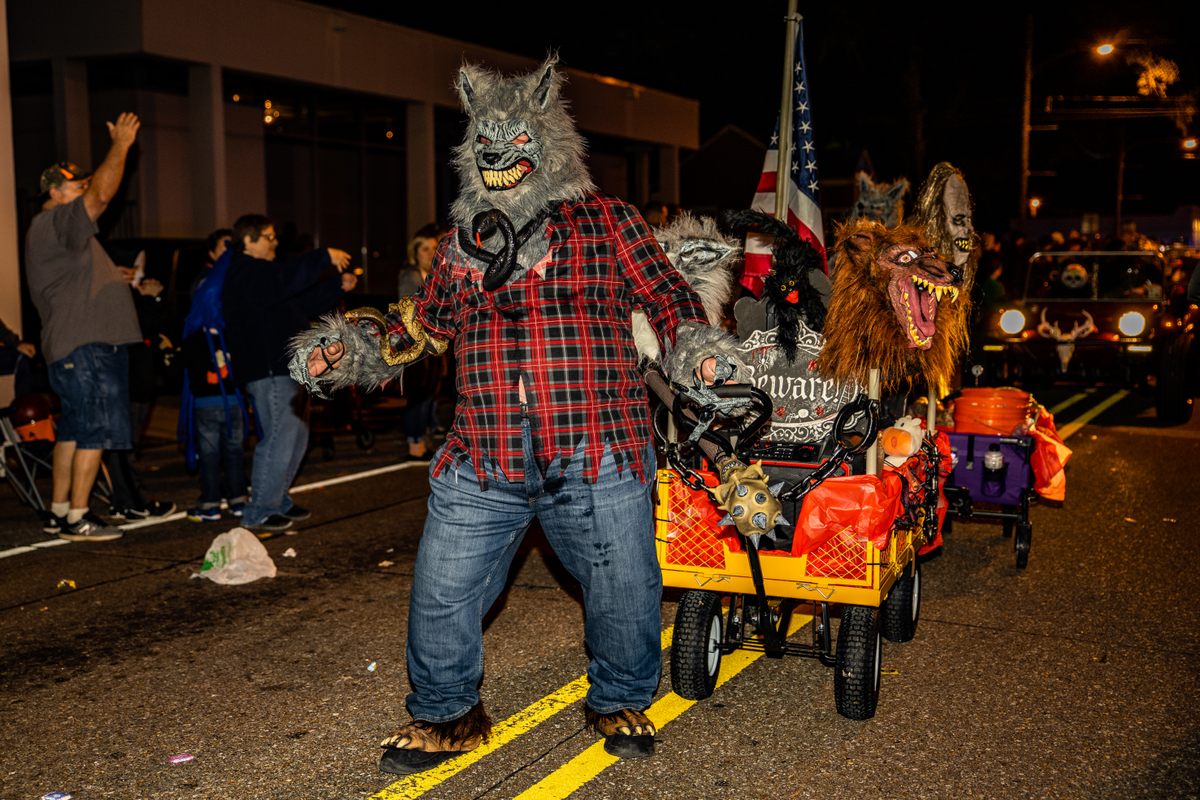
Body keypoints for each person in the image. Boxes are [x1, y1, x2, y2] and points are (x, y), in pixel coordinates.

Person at [292, 57, 746, 775]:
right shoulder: (462, 243)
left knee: (624, 589)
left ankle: (621, 698)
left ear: (548, 139)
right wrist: (347, 351)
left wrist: (702, 355)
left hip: (597, 449)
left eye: (513, 137)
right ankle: (446, 715)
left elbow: (669, 299)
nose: (497, 153)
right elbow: (426, 324)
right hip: (485, 452)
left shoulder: (609, 222)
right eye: (485, 139)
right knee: (442, 593)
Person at [24, 112, 145, 542]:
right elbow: (102, 196)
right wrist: (122, 146)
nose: (84, 193)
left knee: (75, 430)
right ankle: (79, 516)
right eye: (76, 187)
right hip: (87, 348)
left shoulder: (57, 232)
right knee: (94, 429)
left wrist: (121, 278)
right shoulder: (57, 220)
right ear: (55, 192)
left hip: (75, 349)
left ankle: (58, 511)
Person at [222, 214, 354, 532]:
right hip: (268, 369)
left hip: (289, 368)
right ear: (249, 241)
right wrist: (323, 257)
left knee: (295, 436)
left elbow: (301, 303)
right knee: (280, 435)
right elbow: (286, 279)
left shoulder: (266, 277)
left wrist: (337, 285)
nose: (275, 242)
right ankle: (258, 511)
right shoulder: (246, 271)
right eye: (268, 237)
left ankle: (277, 499)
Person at [180, 228, 250, 522]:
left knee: (221, 452)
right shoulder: (211, 287)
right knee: (223, 451)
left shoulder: (217, 330)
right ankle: (228, 500)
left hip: (221, 398)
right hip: (218, 398)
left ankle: (220, 500)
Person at [396, 223, 444, 459]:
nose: (429, 253)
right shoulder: (411, 275)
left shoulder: (434, 276)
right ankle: (414, 442)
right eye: (424, 249)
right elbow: (410, 308)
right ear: (415, 252)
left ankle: (423, 438)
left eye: (433, 248)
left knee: (429, 393)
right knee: (417, 394)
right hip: (414, 343)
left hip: (432, 343)